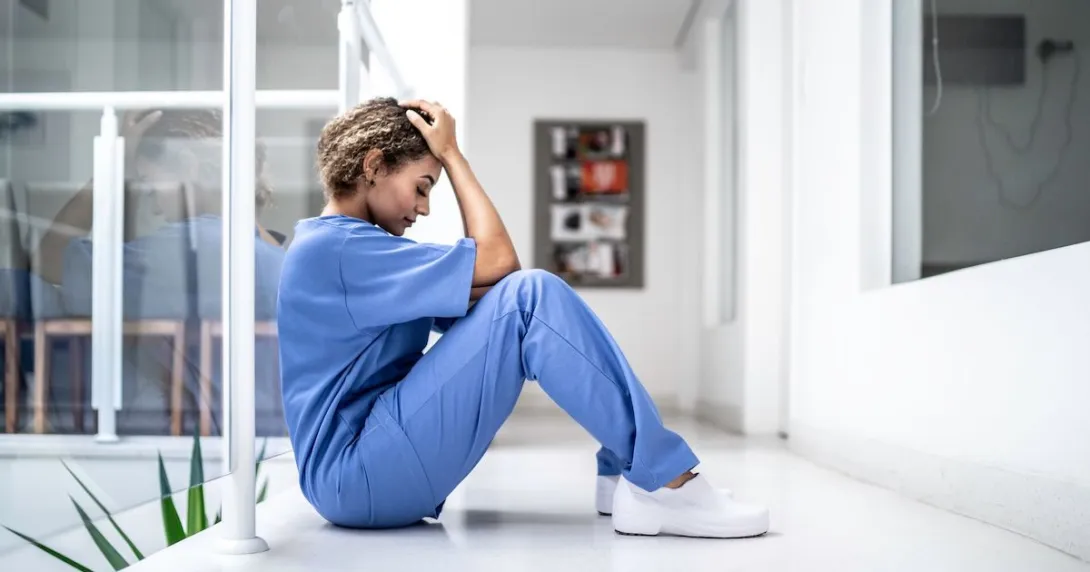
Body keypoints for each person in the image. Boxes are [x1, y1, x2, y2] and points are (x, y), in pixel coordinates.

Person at [276, 97, 770, 538]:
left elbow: (490, 295)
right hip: (357, 473)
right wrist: (452, 154)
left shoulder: (355, 249)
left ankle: (628, 469)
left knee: (525, 295)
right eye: (422, 187)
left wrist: (502, 293)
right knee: (530, 292)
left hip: (365, 465)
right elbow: (501, 265)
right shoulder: (337, 250)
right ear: (374, 165)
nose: (424, 209)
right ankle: (665, 481)